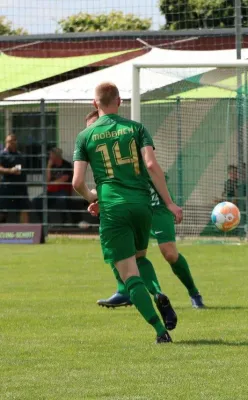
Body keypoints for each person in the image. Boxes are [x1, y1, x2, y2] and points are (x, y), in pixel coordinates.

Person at [73, 82, 183, 343]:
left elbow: (77, 182)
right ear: (119, 101)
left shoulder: (85, 136)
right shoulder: (136, 128)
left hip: (112, 208)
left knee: (128, 274)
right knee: (141, 258)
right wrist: (169, 203)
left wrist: (92, 197)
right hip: (142, 206)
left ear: (94, 103)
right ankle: (157, 293)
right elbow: (151, 164)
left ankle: (160, 331)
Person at [84, 109, 204, 310]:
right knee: (123, 251)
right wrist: (102, 202)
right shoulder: (99, 150)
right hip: (132, 207)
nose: (93, 133)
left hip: (155, 205)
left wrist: (169, 203)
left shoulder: (128, 139)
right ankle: (130, 292)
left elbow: (149, 168)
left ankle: (194, 292)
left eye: (95, 127)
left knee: (169, 253)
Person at [33, 147, 73, 224]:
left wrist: (51, 183)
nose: (50, 156)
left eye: (51, 154)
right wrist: (48, 167)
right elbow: (46, 181)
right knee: (36, 201)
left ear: (56, 155)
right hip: (51, 192)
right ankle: (46, 222)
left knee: (63, 199)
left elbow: (63, 180)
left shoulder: (66, 165)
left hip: (62, 191)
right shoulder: (51, 166)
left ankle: (65, 222)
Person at [0, 134, 30, 224]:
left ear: (15, 142)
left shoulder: (20, 154)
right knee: (2, 211)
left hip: (21, 187)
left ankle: (26, 233)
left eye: (11, 141)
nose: (9, 144)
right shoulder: (2, 154)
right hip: (7, 188)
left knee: (24, 210)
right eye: (8, 142)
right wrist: (10, 170)